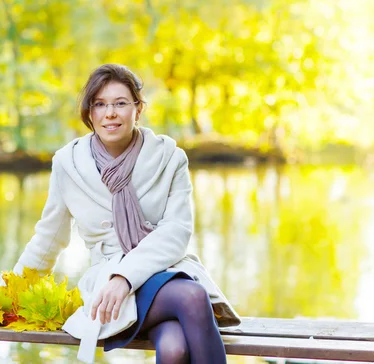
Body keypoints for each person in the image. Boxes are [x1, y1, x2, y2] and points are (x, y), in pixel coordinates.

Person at [13, 64, 240, 364]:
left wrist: (126, 277)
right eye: (100, 104)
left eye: (120, 103)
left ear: (138, 109)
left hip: (165, 272)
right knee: (192, 298)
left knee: (175, 349)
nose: (110, 113)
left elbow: (177, 232)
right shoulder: (68, 163)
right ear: (89, 112)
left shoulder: (170, 158)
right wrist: (11, 292)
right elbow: (48, 238)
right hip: (107, 289)